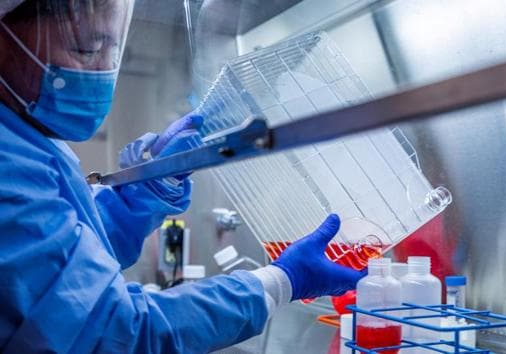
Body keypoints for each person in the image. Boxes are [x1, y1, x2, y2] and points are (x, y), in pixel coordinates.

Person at [0, 1, 365, 352]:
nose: (100, 71)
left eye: (111, 52)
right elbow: (115, 334)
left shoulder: (24, 139)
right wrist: (279, 282)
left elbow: (58, 267)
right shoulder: (7, 159)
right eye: (85, 48)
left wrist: (146, 190)